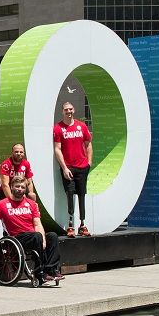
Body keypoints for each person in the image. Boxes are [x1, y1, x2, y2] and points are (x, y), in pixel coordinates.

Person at [0, 177, 62, 283]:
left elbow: (37, 224)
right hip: (16, 238)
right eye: (17, 186)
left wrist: (44, 240)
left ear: (26, 189)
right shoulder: (1, 205)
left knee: (52, 236)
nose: (20, 189)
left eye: (22, 187)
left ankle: (51, 270)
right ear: (11, 187)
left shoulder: (31, 204)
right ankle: (39, 273)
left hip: (34, 236)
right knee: (36, 236)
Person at [53, 101, 93, 237]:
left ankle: (82, 224)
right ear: (62, 112)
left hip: (82, 167)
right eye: (66, 110)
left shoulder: (82, 126)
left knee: (82, 195)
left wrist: (89, 163)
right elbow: (57, 149)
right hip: (68, 168)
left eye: (70, 109)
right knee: (69, 194)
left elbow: (88, 144)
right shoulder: (58, 128)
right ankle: (70, 225)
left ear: (73, 110)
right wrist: (64, 168)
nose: (68, 112)